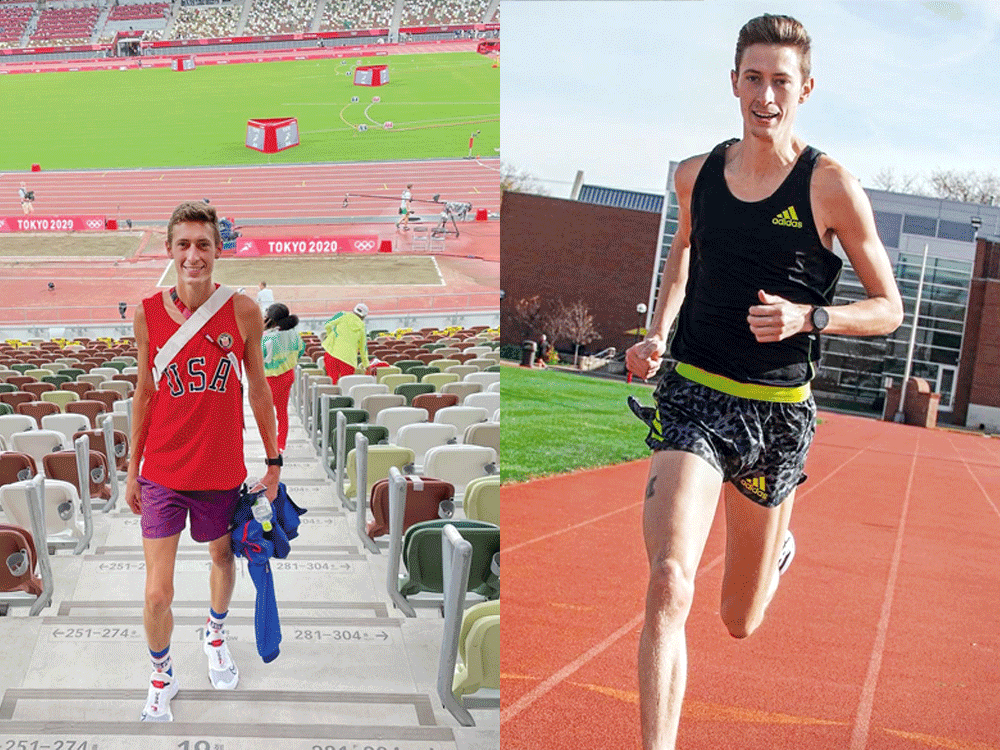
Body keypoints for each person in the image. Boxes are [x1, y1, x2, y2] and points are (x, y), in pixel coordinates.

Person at [623, 15, 903, 749]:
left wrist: (810, 317)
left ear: (804, 89)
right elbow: (682, 253)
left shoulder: (830, 185)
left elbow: (890, 310)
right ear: (734, 83)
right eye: (754, 77)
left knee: (738, 621)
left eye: (781, 80)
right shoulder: (696, 176)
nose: (766, 94)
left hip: (777, 417)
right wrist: (658, 332)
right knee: (666, 583)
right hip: (694, 399)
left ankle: (777, 550)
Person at [126, 201, 282, 722]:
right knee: (156, 592)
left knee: (222, 559)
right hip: (163, 473)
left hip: (220, 470)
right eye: (183, 245)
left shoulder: (241, 310)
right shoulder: (146, 314)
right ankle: (161, 673)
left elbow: (258, 388)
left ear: (218, 250)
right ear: (169, 250)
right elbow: (144, 393)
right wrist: (131, 471)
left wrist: (274, 461)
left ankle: (215, 634)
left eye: (203, 245)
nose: (194, 256)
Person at [262, 302, 304, 453]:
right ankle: (281, 444)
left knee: (266, 414)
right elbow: (301, 350)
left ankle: (271, 445)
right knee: (282, 412)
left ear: (270, 320)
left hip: (271, 380)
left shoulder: (267, 339)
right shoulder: (294, 334)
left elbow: (258, 358)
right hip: (288, 376)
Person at [321, 302, 370, 383]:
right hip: (349, 361)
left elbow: (327, 325)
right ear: (364, 316)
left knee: (332, 384)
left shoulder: (342, 315)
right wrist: (366, 365)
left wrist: (331, 336)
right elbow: (363, 349)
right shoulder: (362, 327)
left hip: (332, 354)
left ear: (354, 311)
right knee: (345, 387)